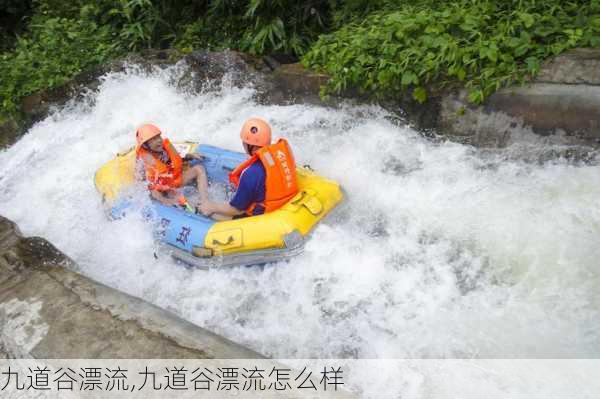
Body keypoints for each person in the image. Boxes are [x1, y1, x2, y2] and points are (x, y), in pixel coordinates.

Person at [197, 117, 298, 220]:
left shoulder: (251, 173)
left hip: (261, 218)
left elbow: (237, 209)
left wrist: (212, 206)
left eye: (244, 142)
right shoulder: (278, 156)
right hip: (282, 204)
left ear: (249, 145)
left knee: (208, 211)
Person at [135, 123, 208, 207]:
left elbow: (175, 159)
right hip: (161, 189)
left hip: (174, 180)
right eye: (153, 139)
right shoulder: (142, 160)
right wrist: (161, 193)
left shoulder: (164, 148)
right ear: (145, 145)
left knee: (199, 168)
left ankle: (205, 201)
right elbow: (140, 183)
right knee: (154, 191)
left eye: (158, 137)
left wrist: (189, 156)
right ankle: (169, 202)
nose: (158, 140)